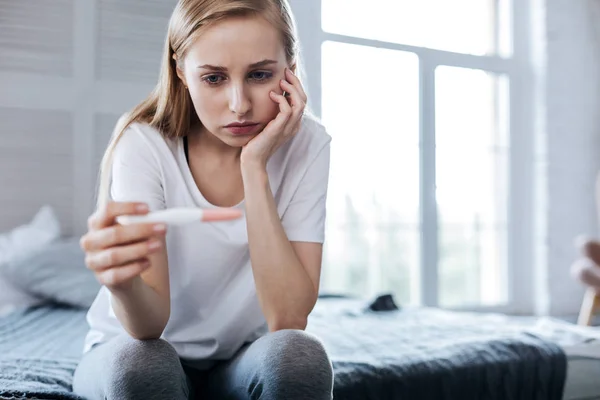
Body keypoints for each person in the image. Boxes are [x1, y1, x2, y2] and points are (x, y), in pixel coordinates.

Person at [73, 0, 334, 398]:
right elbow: (148, 328)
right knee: (144, 365)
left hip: (238, 359)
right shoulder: (145, 145)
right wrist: (123, 285)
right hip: (134, 345)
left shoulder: (308, 145)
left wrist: (254, 167)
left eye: (260, 74)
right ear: (181, 72)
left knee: (300, 356)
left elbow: (288, 318)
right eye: (213, 78)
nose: (239, 105)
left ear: (290, 70)